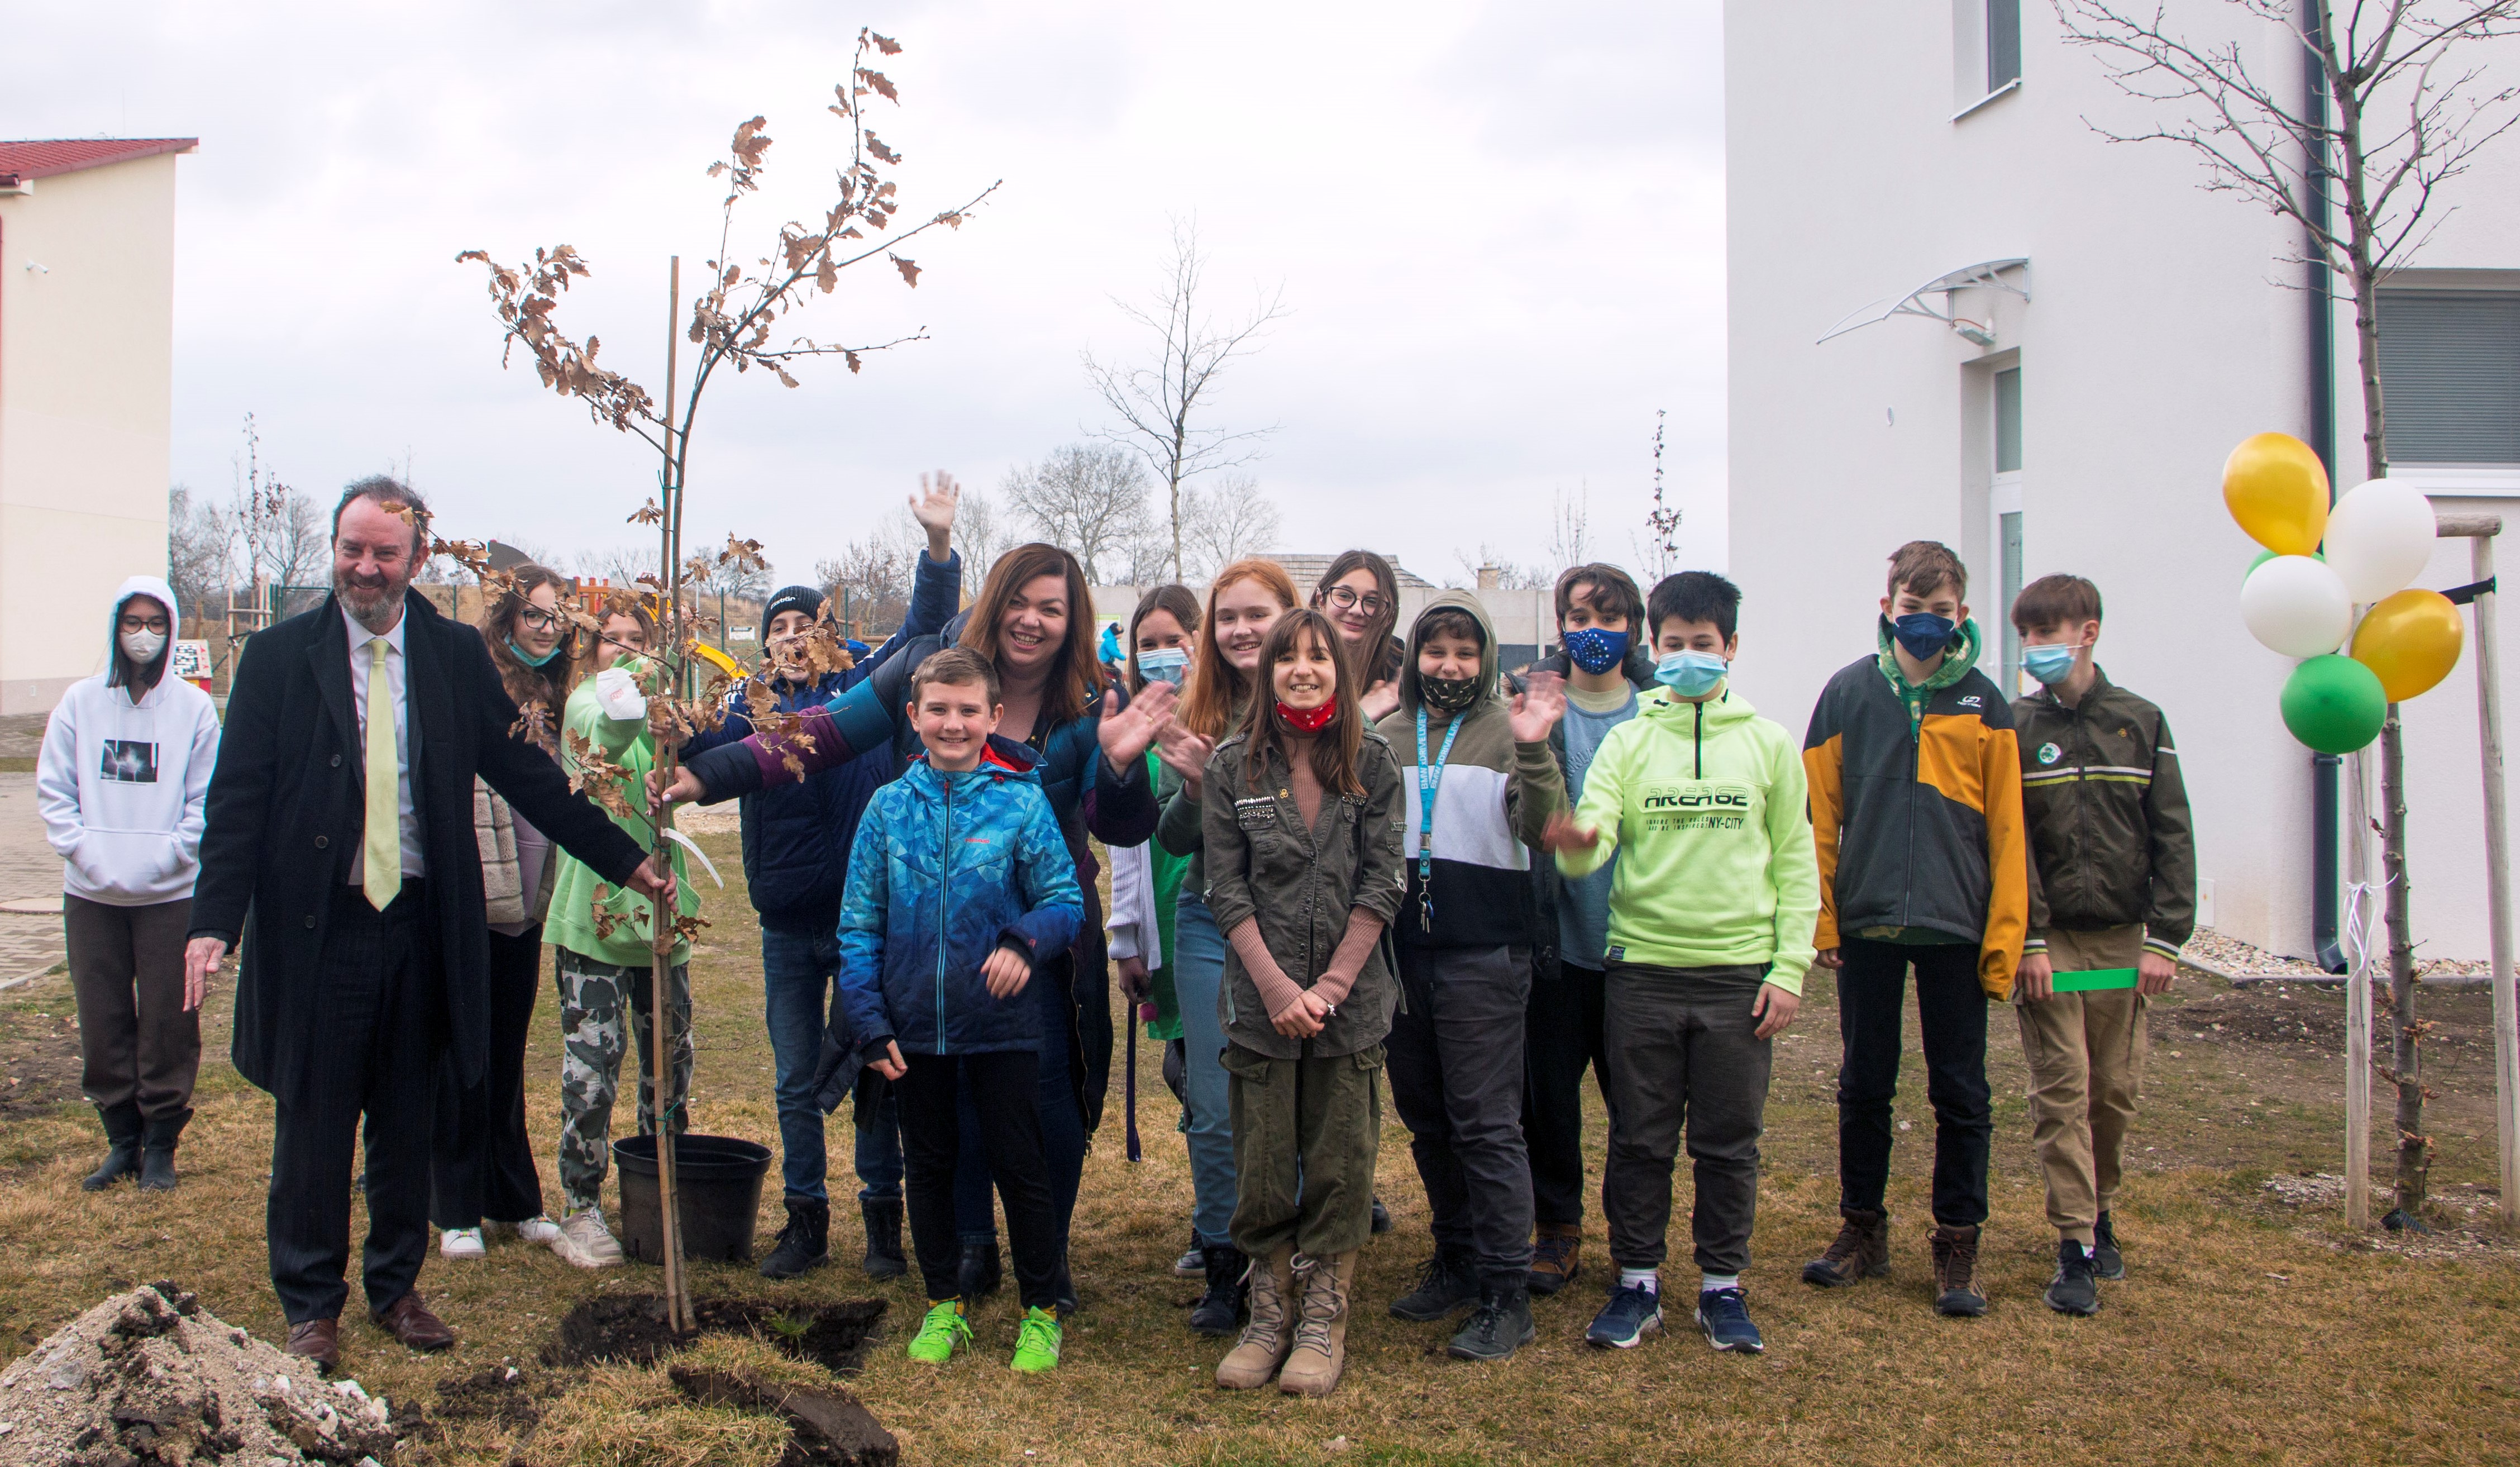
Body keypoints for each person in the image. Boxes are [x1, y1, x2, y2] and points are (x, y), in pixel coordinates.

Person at [186, 477, 672, 1373]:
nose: (366, 567)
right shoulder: (275, 657)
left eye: (385, 553)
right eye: (352, 548)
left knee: (408, 1112)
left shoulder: (452, 658)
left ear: (415, 560)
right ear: (337, 548)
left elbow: (530, 777)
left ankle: (394, 1284)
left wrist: (624, 857)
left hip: (420, 922)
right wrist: (212, 921)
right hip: (317, 927)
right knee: (316, 1119)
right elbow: (239, 800)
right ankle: (312, 1301)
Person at [667, 543, 1171, 1308]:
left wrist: (1124, 768)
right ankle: (970, 1247)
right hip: (933, 933)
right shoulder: (927, 672)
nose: (1032, 620)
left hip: (1044, 933)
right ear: (996, 600)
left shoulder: (1087, 704)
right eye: (1021, 601)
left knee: (1049, 1101)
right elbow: (821, 733)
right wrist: (709, 773)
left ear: (1072, 624)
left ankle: (1048, 1255)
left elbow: (1120, 825)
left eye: (1053, 608)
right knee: (953, 1097)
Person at [678, 479, 962, 1283]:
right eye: (780, 627)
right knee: (796, 1076)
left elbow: (925, 628)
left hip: (863, 926)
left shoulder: (863, 692)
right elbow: (698, 757)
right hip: (784, 927)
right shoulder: (748, 716)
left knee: (878, 1070)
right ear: (764, 644)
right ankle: (805, 1218)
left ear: (831, 636)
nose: (794, 637)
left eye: (808, 624)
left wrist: (937, 548)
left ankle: (883, 1220)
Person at [1543, 571, 1819, 1355]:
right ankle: (1637, 1280)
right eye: (1675, 644)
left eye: (1705, 644)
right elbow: (1593, 830)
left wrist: (1788, 967)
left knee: (1730, 1142)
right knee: (1640, 1138)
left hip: (1739, 975)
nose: (1689, 655)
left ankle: (1723, 1286)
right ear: (1653, 649)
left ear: (1731, 648)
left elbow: (1798, 863)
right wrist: (1577, 844)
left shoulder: (1767, 743)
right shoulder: (1630, 741)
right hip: (1643, 973)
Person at [840, 648, 1083, 1373]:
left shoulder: (1020, 802)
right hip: (912, 1029)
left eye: (967, 709)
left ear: (993, 717)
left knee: (1020, 1164)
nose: (953, 722)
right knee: (933, 1166)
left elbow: (1063, 900)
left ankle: (1040, 1310)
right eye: (938, 709)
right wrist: (869, 1020)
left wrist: (1023, 940)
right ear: (914, 717)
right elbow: (859, 923)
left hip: (1001, 1025)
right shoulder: (887, 808)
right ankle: (943, 1302)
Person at [1800, 540, 2026, 1317]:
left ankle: (1957, 1240)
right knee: (1864, 1081)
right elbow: (1818, 818)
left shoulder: (1986, 704)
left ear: (1961, 616)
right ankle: (1861, 1227)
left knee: (1961, 1090)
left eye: (1939, 612)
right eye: (1910, 608)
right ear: (1886, 606)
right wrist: (1822, 918)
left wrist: (2003, 936)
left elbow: (2007, 829)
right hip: (1865, 925)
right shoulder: (1847, 694)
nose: (1923, 623)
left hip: (1955, 926)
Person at [1203, 609, 1405, 1397]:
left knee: (1340, 1160)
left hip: (1348, 1009)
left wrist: (1329, 986)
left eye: (1319, 657)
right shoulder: (1233, 766)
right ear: (1268, 671)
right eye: (1288, 657)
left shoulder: (1374, 761)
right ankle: (1269, 1310)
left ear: (1341, 669)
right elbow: (1225, 886)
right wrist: (1280, 987)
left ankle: (1324, 1315)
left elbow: (1383, 879)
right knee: (1260, 1165)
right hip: (1262, 1007)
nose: (1303, 669)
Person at [1374, 591, 1566, 1362]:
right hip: (1399, 957)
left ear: (1486, 657)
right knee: (1427, 1118)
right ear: (1415, 657)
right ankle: (1453, 1257)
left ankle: (1504, 1290)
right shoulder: (1386, 737)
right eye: (1435, 650)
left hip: (1485, 953)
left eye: (1464, 650)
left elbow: (1540, 828)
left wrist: (1535, 748)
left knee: (1486, 1122)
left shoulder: (1507, 731)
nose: (1449, 665)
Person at [2007, 574, 2194, 1316]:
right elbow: (2010, 840)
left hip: (2121, 939)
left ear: (2088, 632)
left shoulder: (2139, 721)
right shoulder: (2017, 726)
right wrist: (2027, 939)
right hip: (2050, 942)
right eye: (2026, 635)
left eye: (2047, 633)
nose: (2035, 649)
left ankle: (2100, 1204)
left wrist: (2167, 938)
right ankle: (2074, 1244)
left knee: (2110, 1091)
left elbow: (2172, 831)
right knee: (2062, 1090)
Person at [1149, 559, 1300, 1333]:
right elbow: (1169, 835)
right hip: (1209, 917)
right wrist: (1197, 789)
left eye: (1258, 613)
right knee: (1213, 1105)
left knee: (1293, 1100)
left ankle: (1297, 1261)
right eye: (1229, 616)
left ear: (1291, 618)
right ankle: (1223, 1263)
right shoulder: (1198, 708)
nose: (1244, 629)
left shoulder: (1323, 708)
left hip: (1300, 924)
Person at [39, 575, 222, 1193]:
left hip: (170, 895)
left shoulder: (194, 709)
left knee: (171, 1018)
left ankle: (162, 1142)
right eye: (133, 623)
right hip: (93, 894)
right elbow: (56, 791)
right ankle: (121, 1139)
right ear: (116, 628)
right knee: (103, 1014)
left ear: (171, 632)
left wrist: (167, 858)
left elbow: (205, 800)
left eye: (156, 624)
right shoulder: (80, 704)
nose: (144, 636)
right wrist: (88, 855)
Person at [538, 595, 703, 1271]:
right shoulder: (584, 703)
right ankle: (581, 1205)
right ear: (590, 648)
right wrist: (632, 685)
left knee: (670, 1067)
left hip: (663, 918)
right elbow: (603, 731)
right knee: (593, 1074)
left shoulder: (668, 718)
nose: (627, 649)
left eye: (640, 639)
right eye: (613, 639)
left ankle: (661, 1192)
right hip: (596, 922)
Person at [429, 564, 575, 1260]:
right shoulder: (477, 683)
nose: (546, 630)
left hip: (528, 898)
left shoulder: (560, 695)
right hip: (474, 894)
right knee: (463, 1051)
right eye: (534, 616)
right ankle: (454, 1203)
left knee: (508, 1051)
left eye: (556, 619)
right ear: (507, 619)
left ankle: (513, 1195)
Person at [1518, 562, 1655, 1296]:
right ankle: (1557, 1226)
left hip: (1641, 945)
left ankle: (1636, 1240)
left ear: (1632, 628)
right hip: (1555, 942)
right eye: (1579, 617)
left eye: (1609, 618)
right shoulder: (1538, 707)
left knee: (1638, 1106)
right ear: (1561, 625)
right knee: (1549, 1100)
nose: (1593, 632)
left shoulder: (1660, 709)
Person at [1105, 587, 1200, 1166]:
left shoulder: (1223, 718)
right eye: (1148, 644)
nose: (1161, 653)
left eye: (1174, 641)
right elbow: (1124, 847)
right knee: (1186, 1061)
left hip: (1224, 913)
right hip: (1163, 918)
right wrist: (1126, 941)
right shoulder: (1129, 728)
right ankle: (1214, 1211)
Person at [1310, 550, 1407, 722]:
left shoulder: (1405, 676)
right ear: (1321, 600)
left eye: (1372, 602)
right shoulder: (1291, 662)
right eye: (1344, 596)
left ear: (1390, 616)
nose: (1356, 610)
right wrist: (1362, 718)